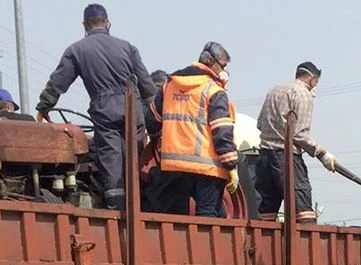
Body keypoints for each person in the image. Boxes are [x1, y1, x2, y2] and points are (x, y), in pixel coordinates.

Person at [35, 3, 156, 210]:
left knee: (112, 164)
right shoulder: (128, 47)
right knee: (134, 160)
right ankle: (138, 207)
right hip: (133, 109)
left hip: (105, 110)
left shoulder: (76, 50)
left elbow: (59, 82)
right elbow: (147, 87)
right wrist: (157, 115)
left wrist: (44, 106)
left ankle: (116, 211)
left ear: (84, 25)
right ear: (108, 23)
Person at [144, 42, 239, 218]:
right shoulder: (214, 91)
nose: (223, 72)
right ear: (212, 62)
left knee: (180, 217)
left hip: (174, 166)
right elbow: (222, 133)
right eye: (223, 66)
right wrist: (231, 167)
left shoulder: (169, 85)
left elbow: (152, 121)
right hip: (207, 167)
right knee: (208, 216)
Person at [256, 61, 336, 224]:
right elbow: (299, 134)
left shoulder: (274, 90)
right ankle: (306, 249)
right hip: (286, 159)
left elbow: (259, 124)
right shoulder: (303, 93)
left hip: (263, 159)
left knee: (266, 214)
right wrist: (322, 154)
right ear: (312, 79)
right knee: (303, 212)